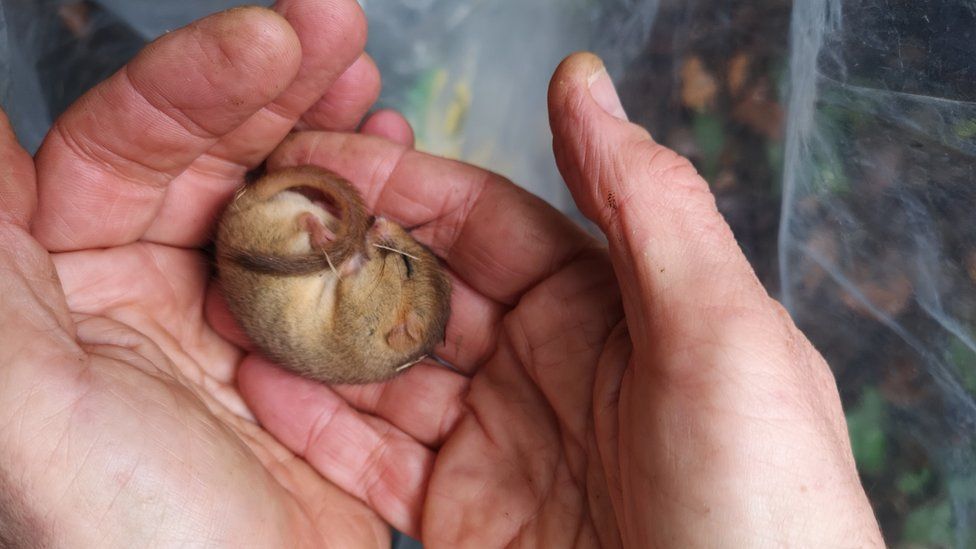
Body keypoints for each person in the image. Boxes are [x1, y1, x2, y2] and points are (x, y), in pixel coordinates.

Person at [0, 2, 884, 547]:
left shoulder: (364, 317)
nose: (384, 240)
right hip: (289, 249)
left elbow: (357, 270)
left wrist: (344, 248)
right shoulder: (372, 305)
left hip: (291, 256)